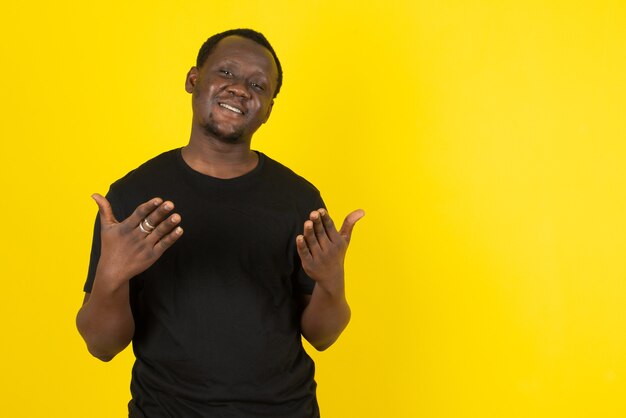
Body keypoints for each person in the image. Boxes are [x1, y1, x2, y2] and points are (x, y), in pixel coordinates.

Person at [76, 28, 364, 417]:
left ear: (268, 109)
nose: (241, 89)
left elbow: (323, 336)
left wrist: (331, 282)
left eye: (258, 85)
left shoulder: (299, 199)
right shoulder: (134, 198)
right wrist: (111, 276)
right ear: (194, 80)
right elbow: (101, 346)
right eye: (227, 73)